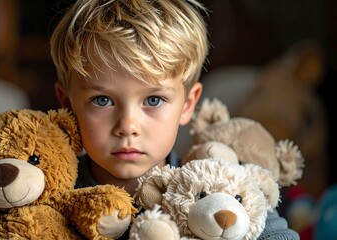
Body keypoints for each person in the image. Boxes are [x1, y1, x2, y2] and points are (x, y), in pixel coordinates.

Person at [49, 0, 300, 239]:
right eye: (103, 100)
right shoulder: (48, 193)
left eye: (153, 100)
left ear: (187, 105)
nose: (127, 127)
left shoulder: (213, 189)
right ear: (67, 103)